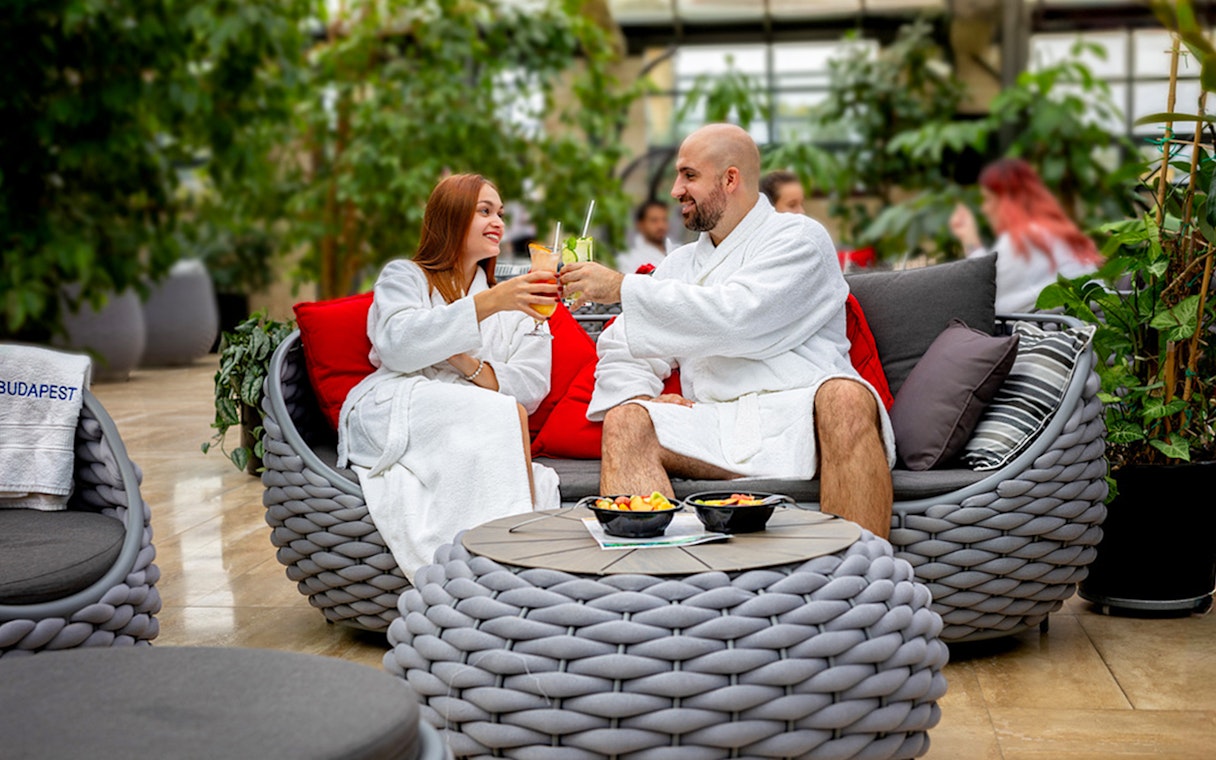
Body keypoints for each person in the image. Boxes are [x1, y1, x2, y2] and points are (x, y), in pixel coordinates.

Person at [559, 123, 895, 538]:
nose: (675, 190)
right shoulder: (680, 264)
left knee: (846, 396)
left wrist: (623, 287)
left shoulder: (801, 239)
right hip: (716, 423)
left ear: (730, 178)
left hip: (804, 415)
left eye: (689, 175)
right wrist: (641, 395)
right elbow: (623, 346)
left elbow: (739, 318)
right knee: (627, 419)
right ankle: (652, 590)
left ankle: (861, 580)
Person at [337, 173, 561, 581]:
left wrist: (461, 360)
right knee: (497, 416)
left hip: (474, 414)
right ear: (451, 216)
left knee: (505, 416)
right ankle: (498, 572)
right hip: (399, 402)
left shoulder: (519, 303)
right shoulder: (405, 276)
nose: (498, 222)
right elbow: (397, 346)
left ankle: (489, 567)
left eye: (500, 213)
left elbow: (530, 389)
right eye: (484, 211)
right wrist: (486, 304)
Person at [949, 157, 1104, 314]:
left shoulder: (1023, 240)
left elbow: (981, 294)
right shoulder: (1054, 230)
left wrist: (969, 239)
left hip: (1058, 333)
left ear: (1006, 201)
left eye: (988, 199)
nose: (984, 209)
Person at [616, 199, 671, 274]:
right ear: (640, 224)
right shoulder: (627, 259)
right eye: (654, 220)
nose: (661, 225)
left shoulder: (677, 250)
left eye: (664, 220)